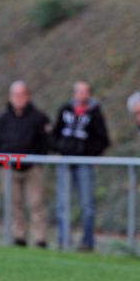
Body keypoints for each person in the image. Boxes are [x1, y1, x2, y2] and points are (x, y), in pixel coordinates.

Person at [0, 80, 51, 248]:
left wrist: (38, 160)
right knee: (14, 204)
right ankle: (19, 237)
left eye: (21, 95)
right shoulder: (2, 119)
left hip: (32, 168)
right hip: (9, 169)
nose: (17, 98)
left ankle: (40, 238)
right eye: (14, 95)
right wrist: (1, 162)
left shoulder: (39, 118)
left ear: (27, 96)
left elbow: (46, 142)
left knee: (36, 203)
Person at [52, 81, 110, 251]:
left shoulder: (95, 113)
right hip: (65, 162)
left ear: (89, 94)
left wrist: (86, 151)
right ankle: (63, 240)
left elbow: (103, 140)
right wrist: (62, 147)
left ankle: (87, 242)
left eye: (84, 92)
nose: (81, 95)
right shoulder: (65, 110)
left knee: (87, 205)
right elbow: (54, 134)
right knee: (63, 203)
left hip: (84, 163)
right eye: (78, 92)